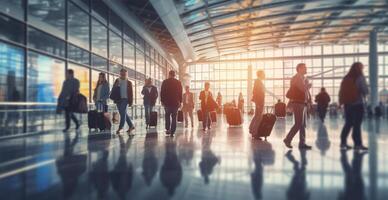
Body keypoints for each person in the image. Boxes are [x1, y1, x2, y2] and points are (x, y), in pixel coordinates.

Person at [339, 62, 368, 151]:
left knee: (348, 123)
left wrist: (341, 102)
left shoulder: (346, 78)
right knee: (357, 125)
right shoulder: (359, 77)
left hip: (347, 104)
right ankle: (357, 144)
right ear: (360, 69)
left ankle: (343, 142)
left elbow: (341, 91)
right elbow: (365, 91)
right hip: (357, 104)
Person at [283, 63, 312, 149]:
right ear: (299, 69)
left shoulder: (302, 78)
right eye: (305, 68)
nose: (306, 69)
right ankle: (288, 139)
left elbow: (305, 91)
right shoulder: (296, 78)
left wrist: (308, 100)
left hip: (302, 103)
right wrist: (308, 85)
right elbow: (303, 89)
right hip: (298, 103)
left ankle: (302, 143)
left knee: (302, 125)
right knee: (298, 123)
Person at [161, 70, 183, 136]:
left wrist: (162, 101)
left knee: (167, 115)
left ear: (169, 74)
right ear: (174, 75)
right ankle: (172, 132)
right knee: (174, 117)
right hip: (175, 103)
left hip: (167, 102)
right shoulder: (178, 82)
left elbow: (162, 92)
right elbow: (180, 93)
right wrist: (180, 101)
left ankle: (168, 129)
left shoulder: (165, 82)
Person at [113, 68, 135, 135]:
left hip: (125, 100)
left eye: (124, 74)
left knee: (122, 114)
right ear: (120, 74)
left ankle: (120, 128)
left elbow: (131, 93)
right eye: (122, 74)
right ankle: (131, 126)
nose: (123, 75)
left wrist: (131, 102)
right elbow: (113, 90)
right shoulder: (117, 80)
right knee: (124, 113)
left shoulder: (129, 83)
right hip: (118, 99)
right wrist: (116, 86)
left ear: (126, 74)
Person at [249, 70, 265, 136]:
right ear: (260, 74)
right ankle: (255, 133)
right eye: (263, 74)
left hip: (259, 101)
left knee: (257, 115)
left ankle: (251, 128)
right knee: (259, 117)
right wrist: (258, 103)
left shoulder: (258, 81)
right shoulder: (258, 81)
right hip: (259, 101)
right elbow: (256, 92)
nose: (264, 75)